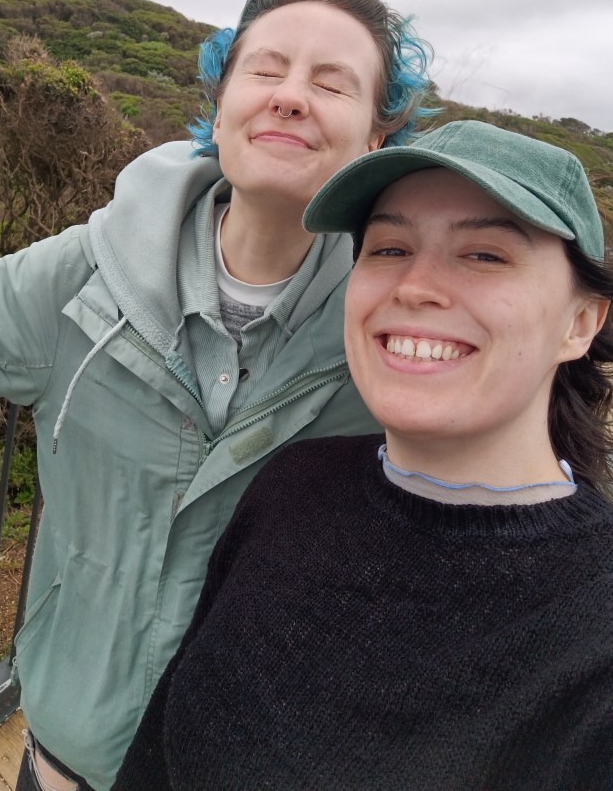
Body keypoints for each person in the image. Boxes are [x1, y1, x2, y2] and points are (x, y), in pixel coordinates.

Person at [0, 0, 432, 790]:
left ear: (378, 139)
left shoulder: (398, 325)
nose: (290, 96)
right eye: (265, 69)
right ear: (219, 102)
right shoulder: (85, 277)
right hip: (67, 757)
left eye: (333, 84)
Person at [112, 119, 613, 791]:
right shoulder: (291, 485)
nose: (415, 286)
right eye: (388, 248)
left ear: (580, 322)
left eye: (484, 255)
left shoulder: (594, 635)